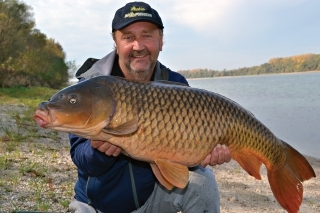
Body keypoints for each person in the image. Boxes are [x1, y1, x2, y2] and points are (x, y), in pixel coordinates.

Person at [68, 2, 231, 213]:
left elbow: (183, 163)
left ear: (161, 40)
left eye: (147, 35)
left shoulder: (176, 85)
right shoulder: (92, 87)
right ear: (115, 42)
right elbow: (82, 161)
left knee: (204, 180)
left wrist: (207, 152)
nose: (138, 46)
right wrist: (97, 151)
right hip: (97, 206)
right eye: (128, 37)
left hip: (151, 202)